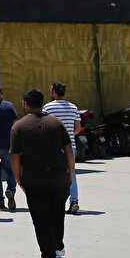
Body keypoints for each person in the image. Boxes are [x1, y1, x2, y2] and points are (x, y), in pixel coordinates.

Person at [10, 88, 76, 258]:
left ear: (26, 104)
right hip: (59, 177)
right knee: (57, 214)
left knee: (41, 218)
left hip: (35, 178)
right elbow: (69, 150)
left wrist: (18, 180)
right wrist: (71, 174)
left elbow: (15, 157)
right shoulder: (56, 124)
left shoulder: (19, 127)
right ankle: (57, 249)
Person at [43, 82, 82, 215]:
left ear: (54, 92)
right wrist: (69, 134)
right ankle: (74, 201)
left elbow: (44, 127)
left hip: (53, 147)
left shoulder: (47, 108)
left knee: (53, 174)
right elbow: (78, 128)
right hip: (70, 146)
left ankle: (54, 201)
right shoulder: (73, 107)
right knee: (71, 173)